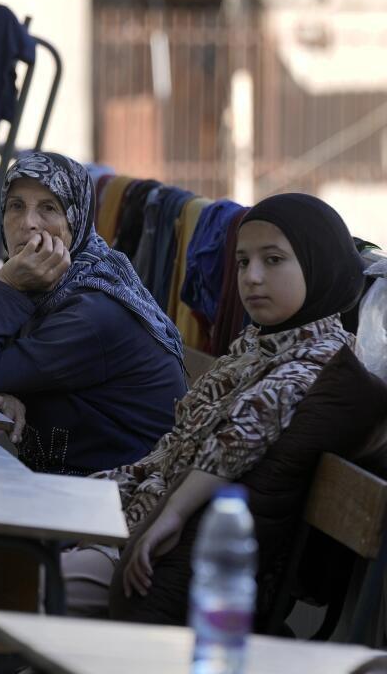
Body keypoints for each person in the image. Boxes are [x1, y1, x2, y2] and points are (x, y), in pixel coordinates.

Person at [61, 192, 364, 616]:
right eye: (243, 262)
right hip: (128, 513)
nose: (252, 277)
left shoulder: (319, 359)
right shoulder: (255, 343)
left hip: (158, 556)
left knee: (5, 584)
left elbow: (245, 429)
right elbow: (168, 453)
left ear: (319, 264)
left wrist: (172, 514)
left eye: (273, 260)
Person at [0, 151, 187, 475]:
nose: (28, 223)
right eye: (16, 206)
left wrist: (6, 285)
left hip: (115, 505)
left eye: (48, 208)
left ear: (76, 220)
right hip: (61, 489)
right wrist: (2, 389)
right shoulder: (41, 288)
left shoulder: (92, 312)